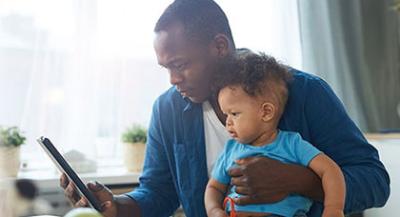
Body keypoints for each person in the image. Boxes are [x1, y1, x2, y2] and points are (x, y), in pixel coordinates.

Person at [60, 1, 390, 217]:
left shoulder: (302, 92)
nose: (173, 80)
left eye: (181, 65)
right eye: (166, 68)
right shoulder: (168, 110)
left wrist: (298, 180)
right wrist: (116, 206)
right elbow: (158, 193)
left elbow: (375, 181)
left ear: (220, 47)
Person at [204, 51, 345, 217]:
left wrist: (334, 209)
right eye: (226, 114)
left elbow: (330, 171)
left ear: (266, 112)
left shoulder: (292, 144)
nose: (227, 122)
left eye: (234, 114)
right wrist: (214, 211)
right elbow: (214, 187)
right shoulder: (230, 150)